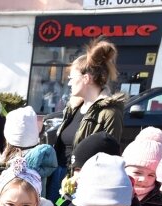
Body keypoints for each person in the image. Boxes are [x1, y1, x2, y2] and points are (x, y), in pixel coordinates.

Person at [53, 39, 124, 171]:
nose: (69, 84)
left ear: (86, 78)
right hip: (59, 175)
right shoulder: (73, 107)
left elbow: (109, 157)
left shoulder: (109, 113)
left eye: (72, 79)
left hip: (82, 179)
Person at [122, 127, 162, 206]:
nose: (144, 179)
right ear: (123, 169)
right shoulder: (113, 195)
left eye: (151, 175)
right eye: (137, 172)